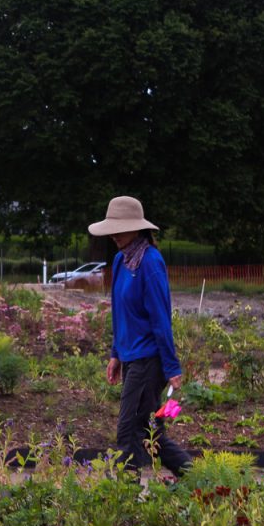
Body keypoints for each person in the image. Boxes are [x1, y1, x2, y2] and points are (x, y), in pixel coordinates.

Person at [88, 196, 192, 478]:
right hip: (131, 357)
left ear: (138, 228)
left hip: (149, 360)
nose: (115, 234)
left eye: (121, 227)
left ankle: (127, 497)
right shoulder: (122, 262)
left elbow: (160, 318)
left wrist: (171, 367)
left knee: (128, 430)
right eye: (113, 228)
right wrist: (115, 355)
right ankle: (195, 479)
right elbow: (121, 314)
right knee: (148, 432)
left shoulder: (151, 262)